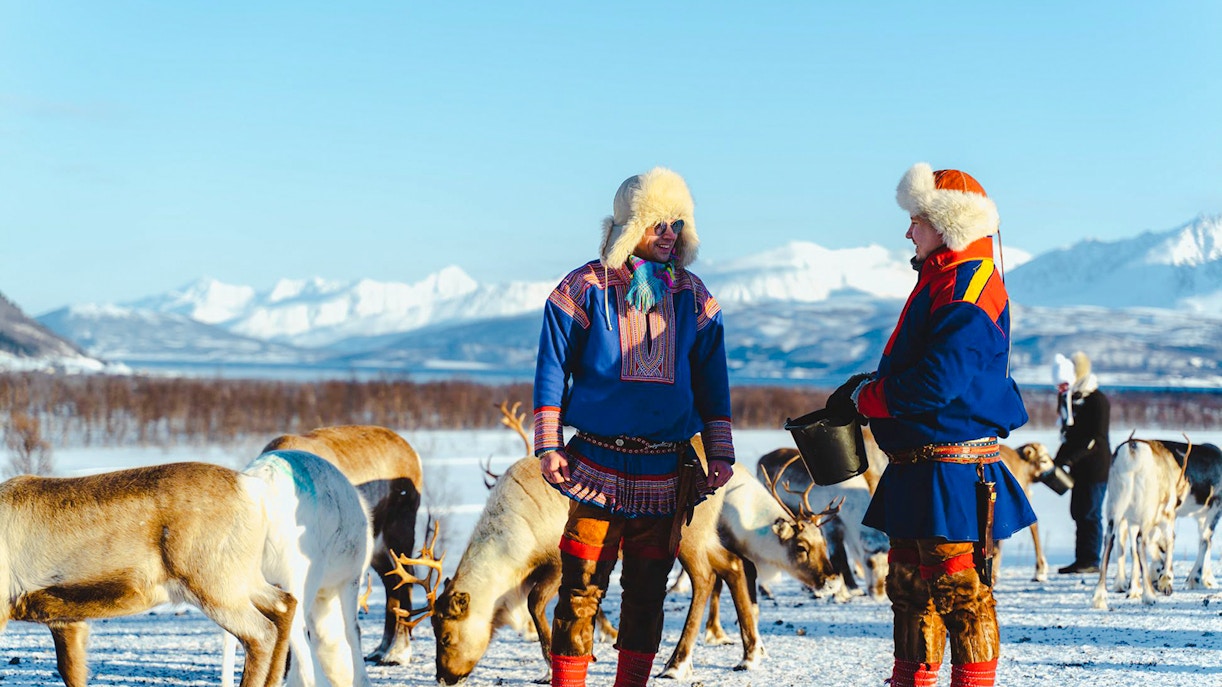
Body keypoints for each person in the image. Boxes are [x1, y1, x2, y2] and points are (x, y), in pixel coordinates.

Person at [827, 163, 1037, 687]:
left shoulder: (968, 286)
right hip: (921, 468)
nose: (908, 231)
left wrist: (868, 397)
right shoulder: (945, 279)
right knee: (910, 593)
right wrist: (871, 386)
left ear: (946, 222)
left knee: (959, 594)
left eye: (916, 219)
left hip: (953, 472)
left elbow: (939, 382)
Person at [533, 167, 735, 687]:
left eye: (677, 223)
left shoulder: (695, 296)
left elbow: (714, 380)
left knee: (647, 591)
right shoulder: (583, 288)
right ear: (628, 228)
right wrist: (549, 444)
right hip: (596, 464)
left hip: (666, 469)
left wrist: (719, 451)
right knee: (579, 586)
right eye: (656, 223)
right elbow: (553, 366)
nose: (669, 234)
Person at [1051, 351, 1111, 574]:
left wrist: (1068, 458)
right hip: (1079, 467)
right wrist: (1057, 460)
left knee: (1090, 513)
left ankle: (1091, 560)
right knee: (1079, 512)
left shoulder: (1097, 401)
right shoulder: (1073, 401)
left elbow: (1093, 439)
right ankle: (1082, 559)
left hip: (1095, 467)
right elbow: (1070, 436)